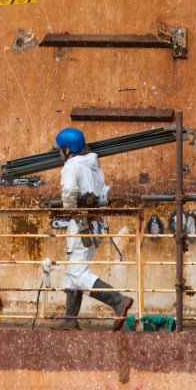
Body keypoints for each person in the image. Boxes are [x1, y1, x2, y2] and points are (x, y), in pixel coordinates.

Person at [53, 127, 133, 329]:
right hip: (95, 224)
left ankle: (117, 300)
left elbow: (70, 191)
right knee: (73, 270)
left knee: (77, 273)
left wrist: (69, 209)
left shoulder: (72, 165)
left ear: (67, 150)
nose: (59, 153)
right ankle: (70, 321)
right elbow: (102, 195)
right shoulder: (94, 165)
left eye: (60, 149)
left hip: (81, 225)